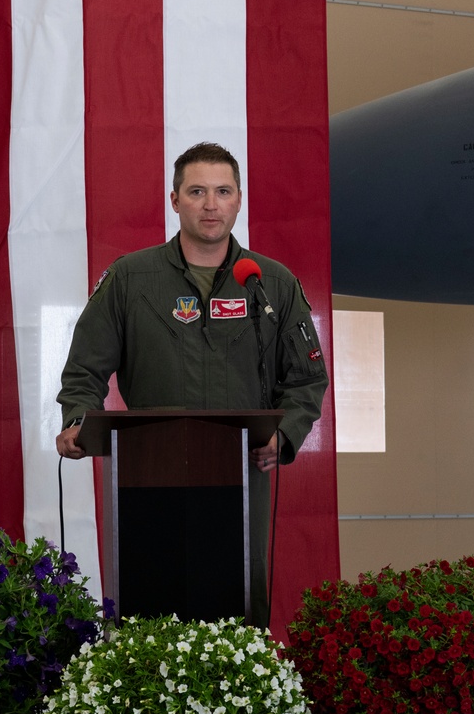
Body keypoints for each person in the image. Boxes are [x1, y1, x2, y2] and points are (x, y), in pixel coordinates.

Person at [56, 141, 329, 627]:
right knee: (149, 604)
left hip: (241, 470)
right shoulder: (129, 279)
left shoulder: (272, 284)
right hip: (147, 470)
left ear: (239, 200)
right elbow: (84, 370)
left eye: (222, 191)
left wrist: (282, 435)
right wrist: (77, 419)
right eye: (197, 191)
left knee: (237, 604)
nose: (210, 204)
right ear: (174, 199)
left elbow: (306, 378)